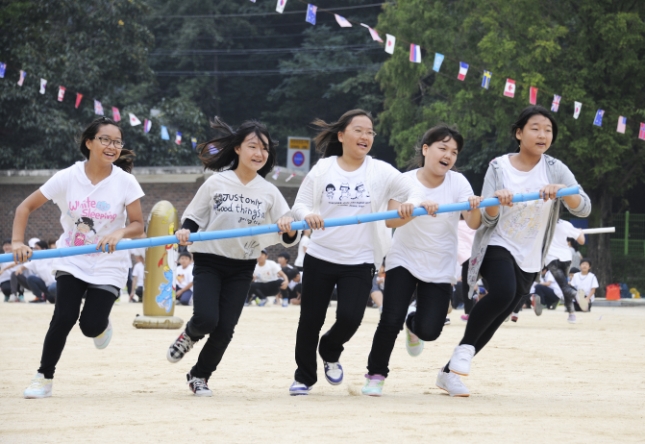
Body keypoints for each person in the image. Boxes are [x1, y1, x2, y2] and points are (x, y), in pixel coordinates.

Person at [436, 105, 591, 397]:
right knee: (504, 292)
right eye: (535, 128)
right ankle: (464, 350)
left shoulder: (555, 169)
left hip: (532, 255)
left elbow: (584, 205)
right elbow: (489, 217)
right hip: (498, 243)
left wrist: (563, 192)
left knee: (500, 313)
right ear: (519, 133)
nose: (542, 134)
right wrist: (496, 199)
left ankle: (448, 372)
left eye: (548, 130)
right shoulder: (499, 166)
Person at [288, 109, 424, 396]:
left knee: (351, 317)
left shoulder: (380, 171)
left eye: (370, 132)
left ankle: (330, 348)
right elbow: (299, 205)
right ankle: (304, 376)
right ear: (341, 135)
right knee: (310, 319)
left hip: (360, 260)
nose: (365, 136)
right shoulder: (324, 169)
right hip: (321, 256)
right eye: (359, 130)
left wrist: (409, 204)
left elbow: (415, 190)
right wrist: (309, 214)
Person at [165, 117, 299, 397]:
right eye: (252, 146)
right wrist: (184, 231)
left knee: (225, 329)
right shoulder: (217, 182)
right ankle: (189, 334)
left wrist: (288, 227)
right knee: (206, 319)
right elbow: (194, 216)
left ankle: (199, 375)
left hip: (242, 265)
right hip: (210, 261)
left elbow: (287, 231)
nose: (259, 153)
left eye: (264, 148)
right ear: (237, 148)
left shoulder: (270, 192)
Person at [12, 116, 145, 399]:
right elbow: (24, 207)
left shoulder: (126, 182)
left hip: (109, 263)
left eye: (117, 142)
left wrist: (120, 233)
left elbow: (138, 225)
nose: (112, 146)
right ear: (89, 142)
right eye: (105, 140)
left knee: (90, 326)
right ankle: (44, 377)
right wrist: (17, 242)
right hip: (72, 258)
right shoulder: (67, 177)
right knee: (64, 316)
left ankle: (101, 325)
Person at [362, 124, 482, 396]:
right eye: (443, 148)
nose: (448, 155)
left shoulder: (459, 182)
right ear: (426, 150)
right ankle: (376, 374)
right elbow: (391, 219)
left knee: (430, 331)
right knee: (390, 319)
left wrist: (474, 206)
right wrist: (413, 211)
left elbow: (473, 223)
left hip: (440, 264)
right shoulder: (404, 181)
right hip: (403, 259)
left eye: (454, 151)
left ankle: (413, 325)